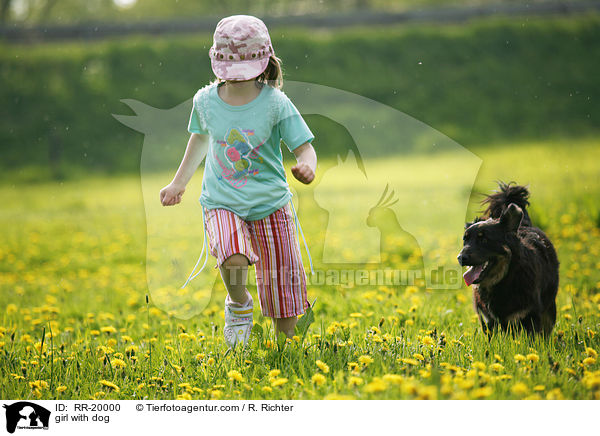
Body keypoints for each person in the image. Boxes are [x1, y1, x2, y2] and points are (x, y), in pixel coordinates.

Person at [159, 15, 317, 348]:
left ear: (264, 64)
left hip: (270, 203)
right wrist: (178, 183)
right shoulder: (204, 101)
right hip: (222, 200)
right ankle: (240, 303)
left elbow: (305, 147)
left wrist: (307, 165)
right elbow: (200, 140)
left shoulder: (275, 103)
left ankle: (286, 346)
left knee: (281, 281)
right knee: (231, 256)